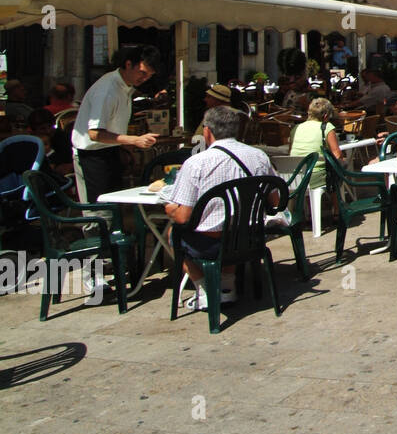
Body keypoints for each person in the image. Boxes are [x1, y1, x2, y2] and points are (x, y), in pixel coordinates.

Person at [162, 106, 275, 312]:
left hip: (212, 244)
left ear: (207, 131)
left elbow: (183, 217)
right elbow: (274, 199)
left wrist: (169, 208)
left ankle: (204, 289)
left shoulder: (196, 163)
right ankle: (227, 285)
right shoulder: (259, 156)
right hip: (251, 238)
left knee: (173, 233)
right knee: (229, 220)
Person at [71, 45, 161, 204]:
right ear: (128, 64)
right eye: (142, 72)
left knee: (114, 205)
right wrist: (133, 140)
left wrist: (124, 148)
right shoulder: (107, 89)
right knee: (99, 209)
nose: (144, 78)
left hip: (109, 152)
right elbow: (94, 134)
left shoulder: (124, 87)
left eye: (149, 75)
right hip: (91, 155)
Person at [290, 97, 344, 192]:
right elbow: (337, 155)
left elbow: (291, 151)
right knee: (336, 170)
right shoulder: (327, 127)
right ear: (326, 115)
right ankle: (337, 205)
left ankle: (310, 202)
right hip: (312, 177)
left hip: (294, 176)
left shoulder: (296, 128)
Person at [28, 108, 74, 176]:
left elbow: (65, 160)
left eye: (50, 126)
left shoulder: (63, 138)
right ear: (33, 131)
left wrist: (49, 152)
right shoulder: (31, 142)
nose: (48, 131)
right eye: (42, 129)